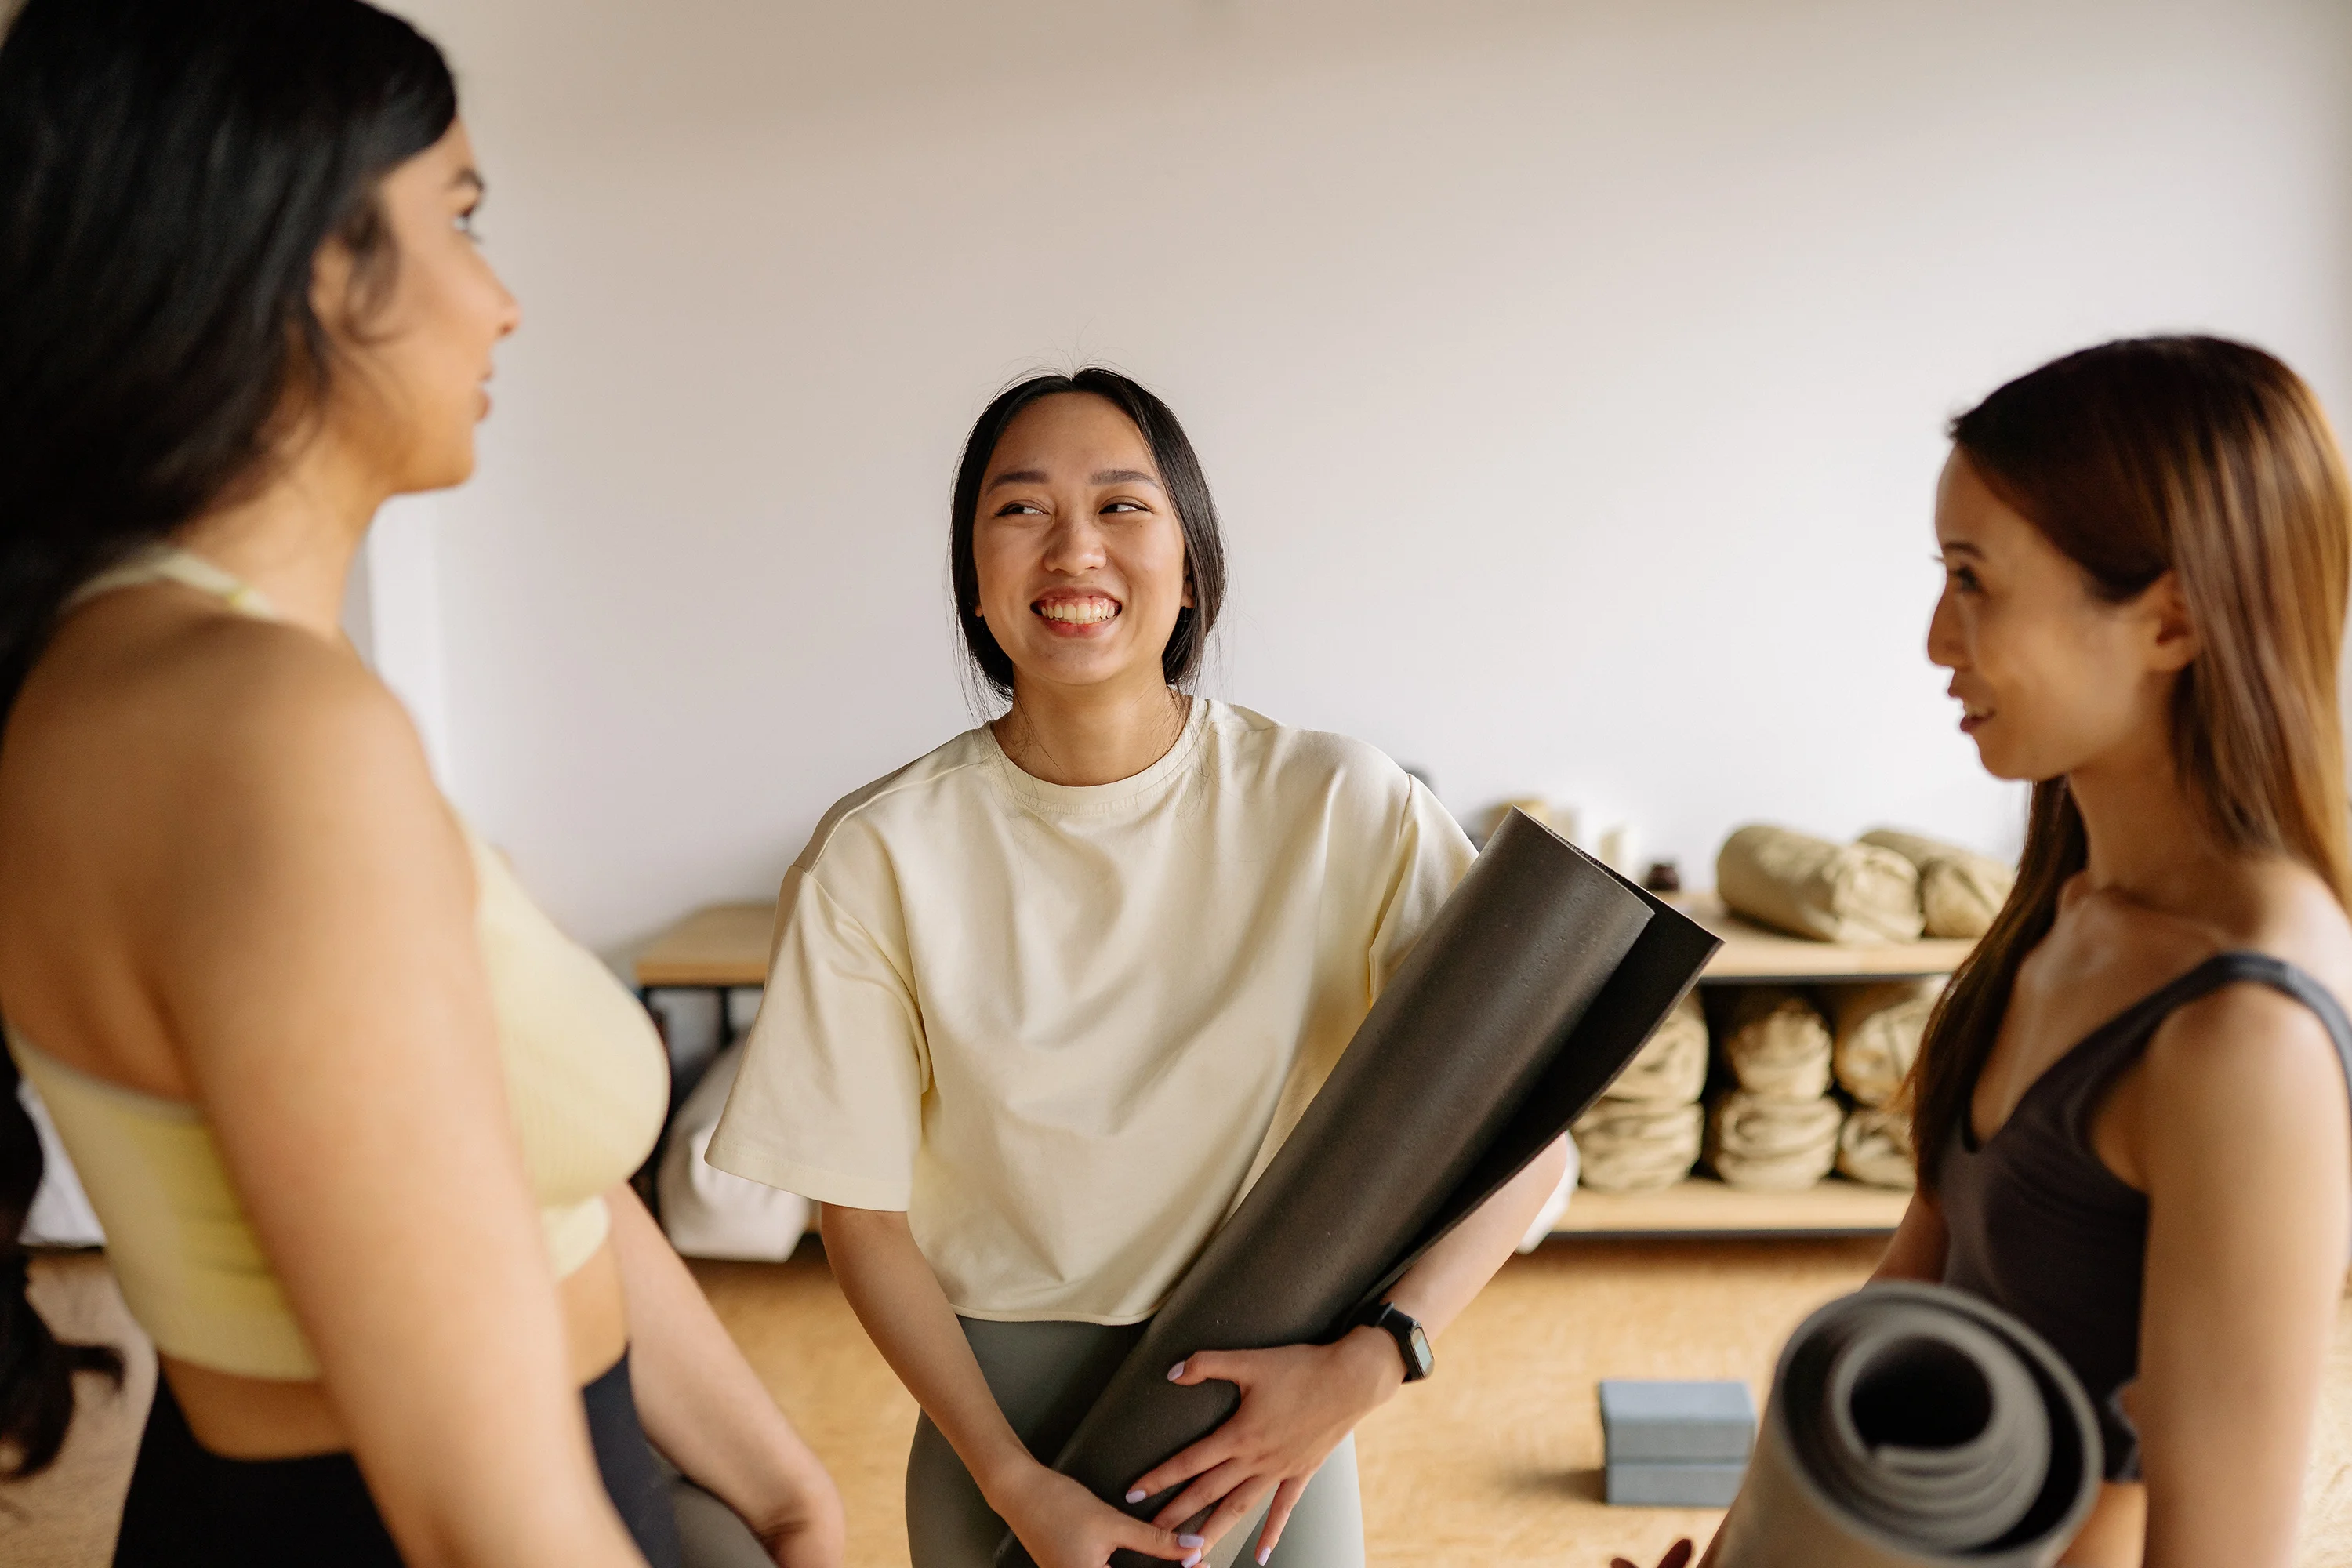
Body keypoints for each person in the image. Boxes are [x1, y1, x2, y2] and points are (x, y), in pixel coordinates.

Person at [0, 3, 844, 1565]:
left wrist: (792, 1484)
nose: (503, 301)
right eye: (459, 218)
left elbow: (522, 1184)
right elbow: (484, 1519)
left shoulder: (194, 680)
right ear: (319, 264)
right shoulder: (254, 732)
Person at [709, 368, 1570, 1568]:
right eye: (1021, 510)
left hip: (1265, 1431)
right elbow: (860, 1217)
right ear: (971, 573)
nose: (1074, 551)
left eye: (1122, 507)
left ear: (1192, 561)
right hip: (1000, 1441)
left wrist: (1375, 1362)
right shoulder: (879, 852)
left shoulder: (1339, 805)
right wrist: (1014, 1485)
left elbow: (1533, 1128)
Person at [1643, 336, 2352, 1568]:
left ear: (2172, 619)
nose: (1935, 637)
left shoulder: (2250, 1038)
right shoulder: (2067, 911)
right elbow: (1911, 1290)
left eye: (1974, 579)